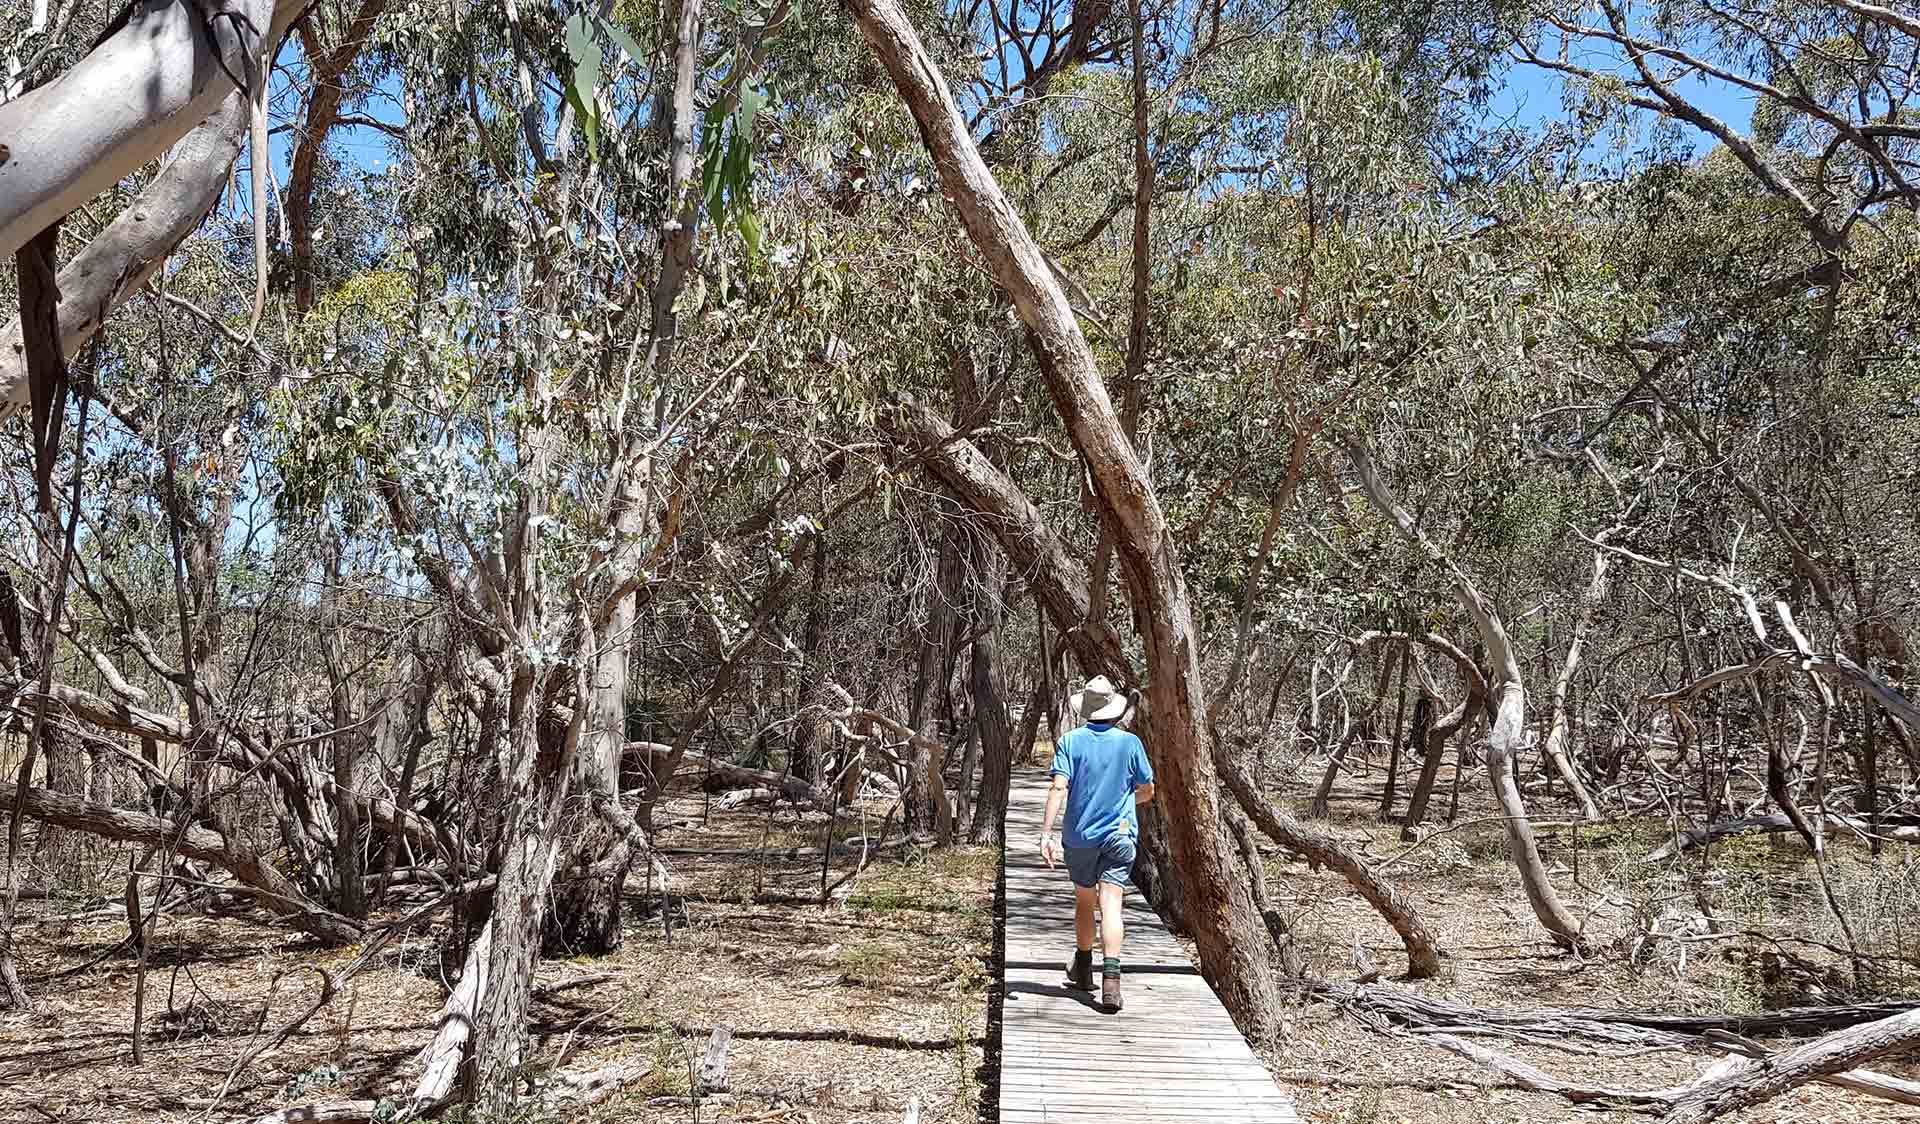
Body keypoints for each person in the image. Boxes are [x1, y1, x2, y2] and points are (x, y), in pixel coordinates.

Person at [1040, 675, 1155, 1012]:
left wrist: (1046, 834)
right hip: (1120, 835)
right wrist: (1122, 803)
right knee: (1112, 904)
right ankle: (1111, 980)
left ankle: (1083, 965)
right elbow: (1147, 790)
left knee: (1085, 900)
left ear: (1086, 709)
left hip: (1080, 837)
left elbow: (1058, 788)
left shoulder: (1070, 741)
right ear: (1114, 709)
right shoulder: (1130, 743)